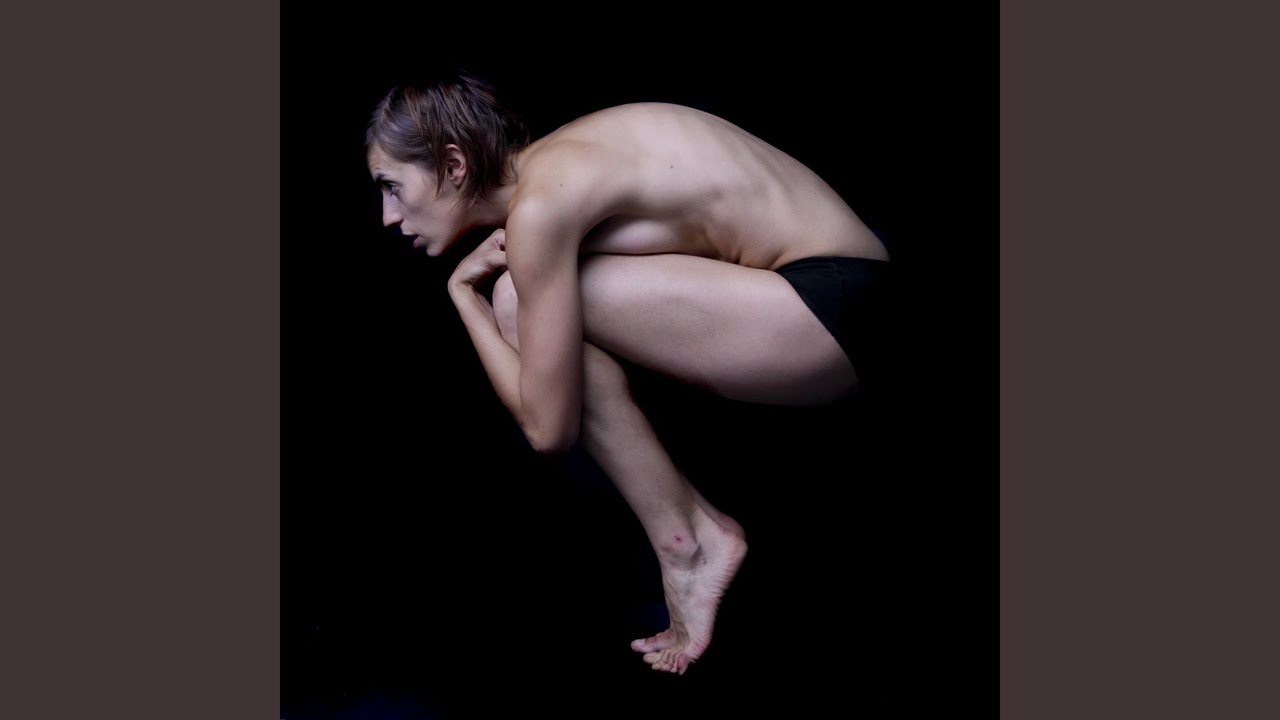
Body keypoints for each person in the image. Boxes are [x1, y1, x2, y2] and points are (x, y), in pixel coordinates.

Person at [364, 69, 896, 675]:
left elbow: (548, 430)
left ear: (454, 164)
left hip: (837, 308)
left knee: (512, 299)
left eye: (392, 187)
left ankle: (690, 545)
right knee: (531, 298)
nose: (387, 216)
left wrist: (463, 295)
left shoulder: (542, 206)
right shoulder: (560, 162)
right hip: (847, 296)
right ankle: (690, 538)